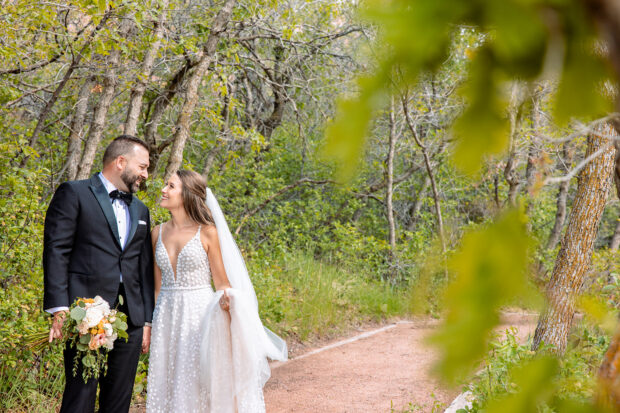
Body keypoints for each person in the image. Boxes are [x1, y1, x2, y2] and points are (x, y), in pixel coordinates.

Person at [145, 169, 287, 413]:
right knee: (167, 380)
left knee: (197, 381)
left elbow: (222, 283)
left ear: (187, 194)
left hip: (199, 316)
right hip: (166, 316)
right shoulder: (157, 232)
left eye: (171, 186)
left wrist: (230, 306)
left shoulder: (208, 232)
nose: (163, 190)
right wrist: (150, 325)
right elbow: (157, 288)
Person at [43, 135, 154, 413]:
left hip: (130, 318)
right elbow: (57, 251)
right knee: (80, 396)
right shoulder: (75, 193)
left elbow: (143, 268)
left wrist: (146, 320)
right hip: (85, 313)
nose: (145, 174)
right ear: (121, 162)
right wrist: (60, 307)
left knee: (119, 400)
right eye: (142, 167)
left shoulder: (141, 209)